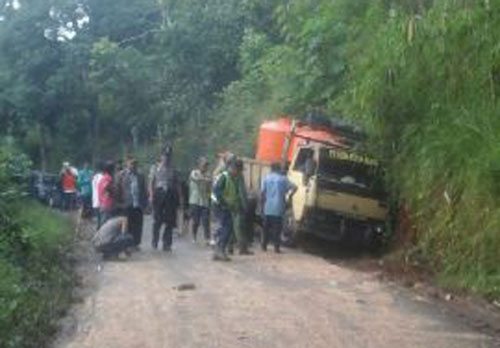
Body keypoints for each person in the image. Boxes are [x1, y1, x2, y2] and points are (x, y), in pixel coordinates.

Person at [211, 159, 248, 261]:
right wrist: (223, 204)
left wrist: (238, 206)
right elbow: (216, 192)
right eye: (239, 170)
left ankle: (218, 251)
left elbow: (234, 195)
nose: (239, 173)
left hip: (228, 206)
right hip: (221, 206)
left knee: (227, 228)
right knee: (227, 228)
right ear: (233, 168)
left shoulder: (233, 178)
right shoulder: (224, 177)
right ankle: (220, 250)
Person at [149, 144, 183, 251]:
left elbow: (178, 185)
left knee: (170, 220)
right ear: (161, 155)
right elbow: (151, 182)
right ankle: (155, 240)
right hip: (158, 194)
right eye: (165, 155)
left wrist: (181, 198)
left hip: (170, 194)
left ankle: (166, 243)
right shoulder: (155, 168)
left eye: (169, 155)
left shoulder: (174, 169)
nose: (167, 158)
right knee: (157, 220)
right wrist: (150, 195)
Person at [261, 162, 298, 253]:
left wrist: (262, 204)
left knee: (266, 228)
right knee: (277, 229)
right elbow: (295, 187)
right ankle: (276, 248)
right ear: (278, 169)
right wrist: (289, 196)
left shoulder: (266, 178)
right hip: (279, 207)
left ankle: (264, 246)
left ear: (271, 168)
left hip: (268, 207)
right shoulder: (283, 179)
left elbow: (262, 193)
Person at [116, 157, 148, 249]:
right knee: (127, 225)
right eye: (131, 163)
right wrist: (118, 203)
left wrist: (145, 203)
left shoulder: (140, 175)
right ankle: (127, 244)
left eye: (135, 163)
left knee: (138, 225)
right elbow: (118, 189)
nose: (133, 165)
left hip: (138, 203)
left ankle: (136, 244)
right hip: (126, 203)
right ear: (127, 164)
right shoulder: (121, 175)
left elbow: (143, 190)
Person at [189, 157, 211, 245]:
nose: (205, 166)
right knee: (196, 221)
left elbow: (209, 184)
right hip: (195, 200)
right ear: (199, 165)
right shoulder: (194, 172)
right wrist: (206, 180)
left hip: (205, 201)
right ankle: (194, 236)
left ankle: (207, 239)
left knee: (206, 220)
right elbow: (197, 179)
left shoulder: (208, 174)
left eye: (206, 165)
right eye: (204, 164)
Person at [92, 162, 104, 229]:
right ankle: (100, 228)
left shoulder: (94, 177)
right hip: (101, 200)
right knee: (101, 217)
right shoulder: (102, 177)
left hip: (95, 200)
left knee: (98, 217)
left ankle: (98, 227)